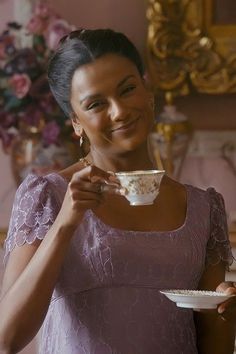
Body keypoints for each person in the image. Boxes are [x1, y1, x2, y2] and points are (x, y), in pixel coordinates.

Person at [0, 28, 235, 354]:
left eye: (127, 90)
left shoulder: (203, 208)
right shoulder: (49, 197)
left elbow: (213, 347)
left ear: (147, 92)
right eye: (96, 103)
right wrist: (66, 223)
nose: (119, 111)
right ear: (76, 122)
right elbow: (7, 339)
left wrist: (227, 318)